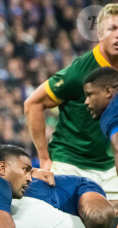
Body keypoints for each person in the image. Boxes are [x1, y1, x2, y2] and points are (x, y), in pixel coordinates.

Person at [25, 4, 118, 205]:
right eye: (112, 29)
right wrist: (44, 158)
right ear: (100, 33)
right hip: (71, 163)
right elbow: (33, 103)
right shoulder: (80, 72)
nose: (117, 35)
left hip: (111, 166)